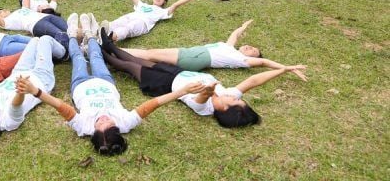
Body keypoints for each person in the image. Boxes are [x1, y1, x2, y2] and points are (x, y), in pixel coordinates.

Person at [14, 13, 206, 155]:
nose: (104, 119)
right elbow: (154, 104)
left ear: (94, 132)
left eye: (100, 124)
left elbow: (59, 105)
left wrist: (35, 91)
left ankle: (72, 34)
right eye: (109, 123)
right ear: (117, 129)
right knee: (96, 55)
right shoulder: (126, 122)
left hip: (80, 84)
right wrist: (183, 90)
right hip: (106, 82)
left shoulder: (83, 127)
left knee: (77, 57)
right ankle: (90, 35)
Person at [99, 29, 307, 128]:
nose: (236, 95)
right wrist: (284, 69)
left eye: (235, 101)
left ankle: (104, 53)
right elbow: (253, 82)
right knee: (139, 60)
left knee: (130, 67)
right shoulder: (227, 94)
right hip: (178, 72)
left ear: (225, 109)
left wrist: (209, 90)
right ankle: (110, 46)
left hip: (164, 84)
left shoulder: (205, 109)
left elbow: (201, 96)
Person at [121, 20, 308, 73]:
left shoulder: (241, 59)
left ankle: (113, 51)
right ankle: (114, 53)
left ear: (252, 57)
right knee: (151, 54)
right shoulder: (230, 49)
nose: (250, 47)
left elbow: (265, 62)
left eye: (253, 51)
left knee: (150, 55)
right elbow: (234, 35)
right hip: (194, 53)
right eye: (250, 46)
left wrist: (287, 68)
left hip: (198, 58)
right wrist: (243, 27)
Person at [105, 0, 202, 41]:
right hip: (132, 16)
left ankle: (108, 39)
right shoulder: (142, 5)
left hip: (142, 23)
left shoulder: (163, 12)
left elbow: (176, 4)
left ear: (164, 1)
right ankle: (100, 31)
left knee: (128, 28)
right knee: (117, 22)